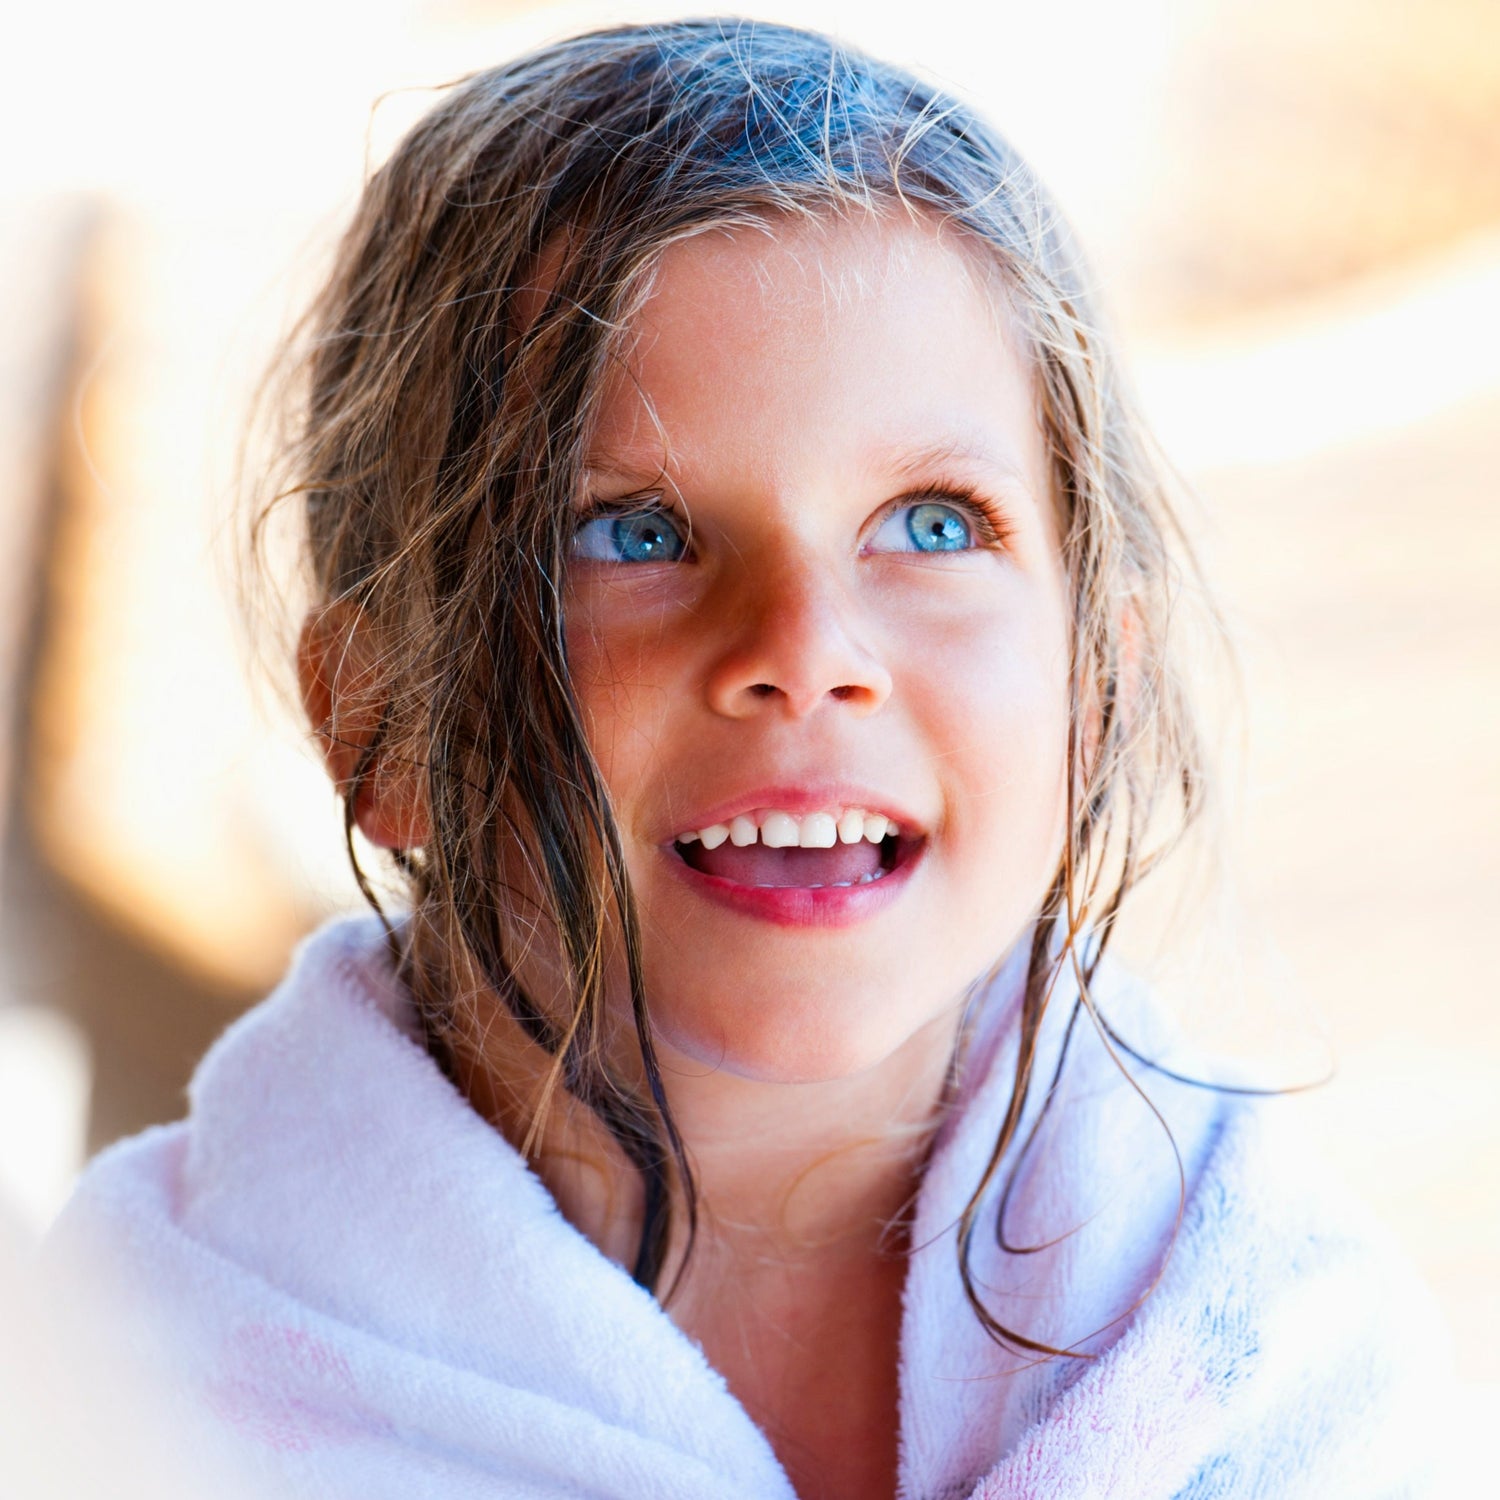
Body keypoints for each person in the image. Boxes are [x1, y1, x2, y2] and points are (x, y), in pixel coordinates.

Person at [44, 18, 1447, 1499]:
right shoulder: (120, 1385)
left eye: (932, 524)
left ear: (1096, 682)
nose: (807, 646)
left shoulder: (1280, 1352)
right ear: (381, 717)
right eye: (634, 534)